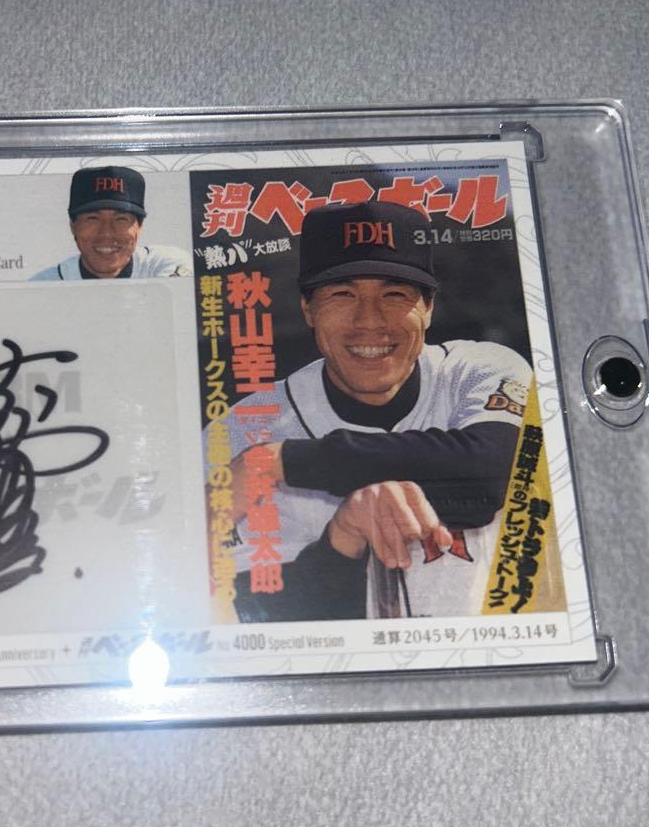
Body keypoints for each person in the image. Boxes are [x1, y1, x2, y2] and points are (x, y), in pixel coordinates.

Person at [219, 199, 533, 622]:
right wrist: (341, 539)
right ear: (308, 309)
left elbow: (492, 470)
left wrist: (280, 460)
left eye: (395, 294)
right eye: (342, 294)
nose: (369, 320)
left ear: (428, 307)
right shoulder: (242, 429)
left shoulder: (477, 371)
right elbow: (257, 614)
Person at [31, 166, 191, 280]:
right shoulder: (45, 284)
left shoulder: (164, 264)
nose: (106, 233)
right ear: (73, 227)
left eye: (121, 219)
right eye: (92, 218)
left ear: (139, 227)